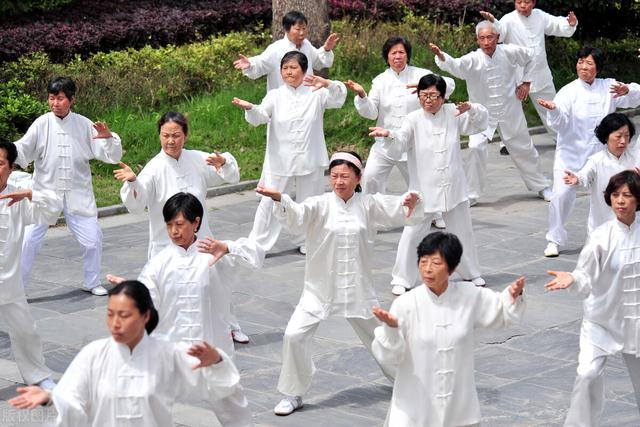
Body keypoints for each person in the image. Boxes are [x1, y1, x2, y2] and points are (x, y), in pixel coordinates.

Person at [255, 151, 422, 416]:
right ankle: (293, 392)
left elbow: (399, 210)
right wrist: (280, 199)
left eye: (345, 176)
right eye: (334, 176)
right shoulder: (319, 205)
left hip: (358, 288)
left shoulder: (369, 204)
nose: (339, 181)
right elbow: (296, 217)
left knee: (381, 336)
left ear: (358, 178)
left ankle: (406, 381)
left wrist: (410, 202)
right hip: (319, 289)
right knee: (294, 335)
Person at [106, 193, 254, 426]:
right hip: (172, 349)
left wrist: (227, 247)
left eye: (180, 224)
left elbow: (254, 256)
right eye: (169, 225)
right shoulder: (160, 261)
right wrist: (129, 289)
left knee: (231, 403)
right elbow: (148, 295)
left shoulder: (213, 254)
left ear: (196, 223)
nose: (174, 231)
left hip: (211, 346)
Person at [9, 281, 244, 426]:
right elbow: (71, 397)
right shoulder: (94, 354)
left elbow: (220, 385)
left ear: (145, 316)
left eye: (124, 315)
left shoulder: (167, 354)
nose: (115, 323)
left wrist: (216, 361)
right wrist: (51, 397)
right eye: (110, 314)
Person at [114, 112, 250, 343]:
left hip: (201, 241)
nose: (170, 141)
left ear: (185, 136)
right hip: (167, 243)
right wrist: (132, 182)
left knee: (216, 286)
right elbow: (137, 203)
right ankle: (157, 333)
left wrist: (224, 162)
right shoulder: (154, 168)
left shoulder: (197, 159)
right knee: (167, 292)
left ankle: (229, 326)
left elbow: (229, 175)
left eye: (176, 135)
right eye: (165, 135)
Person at [372, 231, 525, 426]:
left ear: (452, 269)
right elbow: (389, 357)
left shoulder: (469, 296)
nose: (427, 269)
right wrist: (391, 330)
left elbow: (500, 309)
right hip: (415, 407)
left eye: (436, 263)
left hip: (458, 407)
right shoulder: (406, 304)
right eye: (423, 261)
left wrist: (513, 294)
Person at [368, 74, 488, 294]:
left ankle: (471, 273)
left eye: (433, 95)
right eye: (424, 95)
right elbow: (401, 140)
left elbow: (479, 123)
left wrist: (471, 108)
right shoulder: (413, 118)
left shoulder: (453, 112)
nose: (428, 100)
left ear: (443, 97)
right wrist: (389, 135)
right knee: (412, 233)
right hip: (423, 189)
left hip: (454, 185)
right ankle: (402, 278)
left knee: (462, 231)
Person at [544, 170, 640, 426]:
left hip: (636, 324)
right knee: (587, 375)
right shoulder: (601, 236)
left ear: (637, 201)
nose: (620, 201)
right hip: (602, 323)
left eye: (627, 195)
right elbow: (584, 276)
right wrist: (572, 279)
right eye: (616, 195)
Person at [15, 76, 123, 296]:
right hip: (44, 192)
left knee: (92, 240)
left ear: (71, 100)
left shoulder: (84, 124)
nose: (55, 103)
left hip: (77, 193)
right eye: (52, 98)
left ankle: (92, 282)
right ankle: (17, 288)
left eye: (61, 98)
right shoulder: (41, 123)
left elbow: (109, 155)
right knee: (27, 241)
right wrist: (6, 153)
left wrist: (108, 138)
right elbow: (22, 148)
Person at [232, 51, 347, 255]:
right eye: (285, 68)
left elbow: (339, 97)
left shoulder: (316, 92)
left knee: (310, 201)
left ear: (304, 70)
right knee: (269, 200)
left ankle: (308, 239)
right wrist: (250, 108)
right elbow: (260, 116)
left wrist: (328, 83)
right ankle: (257, 244)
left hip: (309, 156)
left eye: (293, 68)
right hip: (281, 159)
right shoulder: (275, 95)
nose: (288, 72)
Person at [431, 20, 552, 206]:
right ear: (477, 40)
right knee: (475, 148)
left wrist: (526, 82)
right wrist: (442, 56)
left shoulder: (509, 51)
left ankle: (541, 185)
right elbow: (455, 66)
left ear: (497, 37)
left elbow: (532, 57)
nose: (486, 42)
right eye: (482, 38)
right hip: (480, 114)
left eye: (490, 37)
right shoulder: (473, 59)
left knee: (523, 147)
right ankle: (471, 194)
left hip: (510, 109)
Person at [537, 47, 640, 257]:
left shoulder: (608, 86)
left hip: (602, 155)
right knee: (561, 196)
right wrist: (554, 110)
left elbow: (635, 95)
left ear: (598, 68)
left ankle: (615, 236)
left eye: (589, 63)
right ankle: (554, 239)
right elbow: (559, 122)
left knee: (612, 197)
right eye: (581, 62)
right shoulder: (568, 91)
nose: (584, 67)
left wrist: (628, 91)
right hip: (571, 155)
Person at [345, 36, 453, 229]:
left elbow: (448, 85)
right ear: (387, 57)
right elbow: (371, 113)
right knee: (370, 177)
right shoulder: (380, 80)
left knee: (422, 179)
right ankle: (371, 213)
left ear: (407, 55)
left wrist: (425, 87)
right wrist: (362, 95)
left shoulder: (421, 74)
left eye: (401, 52)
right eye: (393, 53)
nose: (398, 56)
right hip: (385, 142)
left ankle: (434, 213)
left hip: (413, 141)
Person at [0, 139, 59, 394]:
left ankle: (38, 376)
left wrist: (31, 194)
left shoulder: (17, 196)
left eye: (0, 163)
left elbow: (52, 211)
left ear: (10, 167)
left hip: (9, 283)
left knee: (26, 332)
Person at [480, 0, 578, 140]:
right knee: (510, 112)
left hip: (540, 73)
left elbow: (556, 24)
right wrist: (493, 21)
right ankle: (508, 144)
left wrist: (570, 23)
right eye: (519, 2)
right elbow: (499, 32)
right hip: (516, 75)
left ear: (533, 3)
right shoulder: (509, 19)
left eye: (526, 2)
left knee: (551, 107)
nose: (522, 5)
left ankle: (561, 139)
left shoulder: (540, 16)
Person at [563, 113, 639, 234]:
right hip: (602, 223)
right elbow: (584, 176)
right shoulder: (596, 160)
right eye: (618, 136)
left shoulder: (635, 157)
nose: (623, 141)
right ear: (606, 137)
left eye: (627, 136)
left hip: (632, 223)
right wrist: (577, 179)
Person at [233, 10, 339, 92]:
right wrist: (250, 64)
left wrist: (326, 49)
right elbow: (262, 62)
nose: (302, 33)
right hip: (283, 102)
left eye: (304, 28)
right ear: (287, 29)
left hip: (306, 98)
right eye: (298, 29)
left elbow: (318, 62)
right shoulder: (277, 48)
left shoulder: (306, 45)